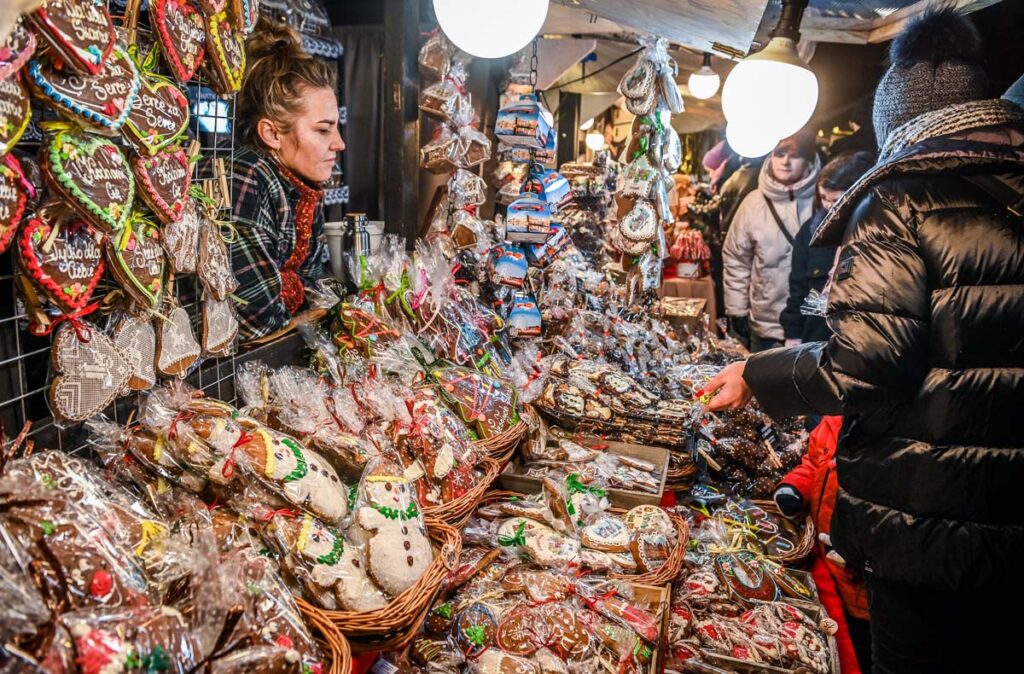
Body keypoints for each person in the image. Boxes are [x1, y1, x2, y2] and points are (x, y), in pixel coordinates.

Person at [701, 10, 1024, 673]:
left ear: (897, 123)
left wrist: (756, 374)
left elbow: (863, 364)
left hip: (927, 524)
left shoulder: (902, 198)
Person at [230, 18, 346, 342]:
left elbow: (316, 286)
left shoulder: (301, 185)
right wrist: (312, 311)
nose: (339, 143)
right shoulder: (249, 176)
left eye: (335, 128)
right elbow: (257, 322)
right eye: (323, 130)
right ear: (272, 133)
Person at [773, 416, 871, 674]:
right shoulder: (832, 422)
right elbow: (814, 463)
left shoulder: (884, 436)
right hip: (828, 559)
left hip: (864, 574)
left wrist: (865, 551)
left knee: (864, 644)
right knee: (841, 632)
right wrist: (794, 487)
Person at [722, 131, 821, 351]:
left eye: (794, 155)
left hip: (811, 322)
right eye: (780, 153)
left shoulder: (823, 201)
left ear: (808, 160)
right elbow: (736, 260)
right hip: (765, 322)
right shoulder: (753, 203)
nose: (785, 161)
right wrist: (736, 311)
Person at [780, 151, 875, 346]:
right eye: (823, 198)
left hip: (859, 341)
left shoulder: (873, 233)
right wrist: (793, 335)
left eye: (837, 199)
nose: (829, 206)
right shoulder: (810, 232)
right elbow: (798, 290)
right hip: (815, 340)